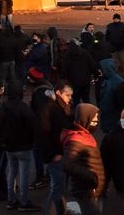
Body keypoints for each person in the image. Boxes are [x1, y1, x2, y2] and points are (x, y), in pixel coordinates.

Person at [0, 83, 40, 212]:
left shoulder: (2, 107)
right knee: (24, 175)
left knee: (11, 172)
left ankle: (11, 200)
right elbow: (32, 127)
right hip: (24, 147)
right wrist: (33, 142)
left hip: (9, 147)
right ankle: (24, 202)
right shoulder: (24, 108)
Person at [62, 104, 105, 215]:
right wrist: (92, 178)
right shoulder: (76, 139)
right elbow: (68, 164)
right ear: (86, 117)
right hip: (85, 192)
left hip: (91, 191)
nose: (96, 120)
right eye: (94, 117)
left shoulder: (85, 136)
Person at [38, 81, 73, 214]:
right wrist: (54, 154)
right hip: (56, 155)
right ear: (58, 93)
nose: (70, 98)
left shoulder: (60, 106)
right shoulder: (49, 108)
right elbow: (44, 135)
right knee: (58, 188)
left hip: (61, 152)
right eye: (68, 95)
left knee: (59, 187)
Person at [64, 40, 96, 105]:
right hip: (85, 80)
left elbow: (64, 69)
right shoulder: (85, 53)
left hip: (74, 81)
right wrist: (94, 74)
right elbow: (92, 65)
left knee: (76, 99)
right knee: (86, 98)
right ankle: (89, 113)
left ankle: (77, 113)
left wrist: (64, 79)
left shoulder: (67, 55)